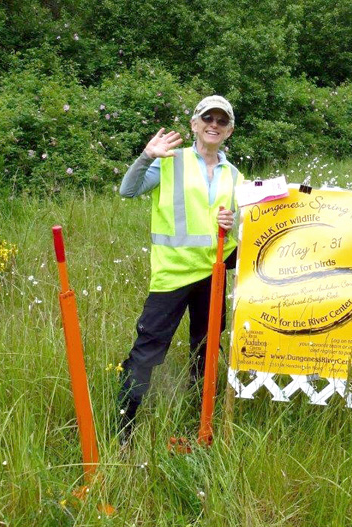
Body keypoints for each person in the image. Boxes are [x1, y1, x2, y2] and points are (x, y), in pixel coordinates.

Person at [117, 95, 243, 442]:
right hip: (172, 274)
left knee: (205, 350)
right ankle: (124, 429)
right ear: (194, 125)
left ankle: (199, 421)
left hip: (213, 274)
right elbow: (127, 191)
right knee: (148, 351)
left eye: (221, 121)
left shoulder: (234, 174)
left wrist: (230, 223)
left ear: (229, 130)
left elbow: (238, 227)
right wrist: (146, 157)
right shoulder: (170, 161)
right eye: (208, 118)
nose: (213, 125)